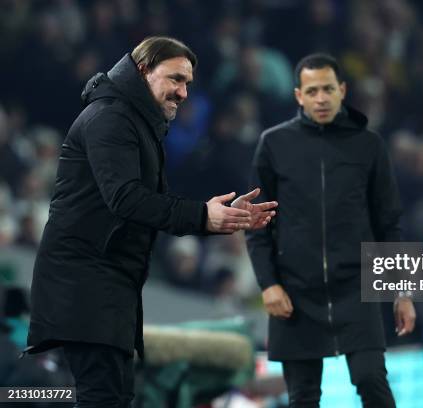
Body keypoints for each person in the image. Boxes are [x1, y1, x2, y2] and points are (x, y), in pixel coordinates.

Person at [25, 36, 277, 407]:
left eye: (188, 83)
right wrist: (203, 215)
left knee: (114, 396)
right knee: (103, 398)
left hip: (105, 287)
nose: (183, 92)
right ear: (143, 70)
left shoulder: (136, 123)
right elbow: (125, 199)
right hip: (85, 286)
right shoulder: (110, 117)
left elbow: (144, 204)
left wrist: (212, 219)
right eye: (175, 79)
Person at [247, 53, 416, 408]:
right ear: (298, 96)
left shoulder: (369, 145)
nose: (320, 98)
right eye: (312, 91)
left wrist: (401, 291)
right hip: (293, 292)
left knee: (373, 382)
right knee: (303, 398)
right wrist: (269, 284)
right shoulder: (274, 145)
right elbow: (257, 223)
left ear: (342, 90)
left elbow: (389, 224)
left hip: (356, 288)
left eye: (327, 89)